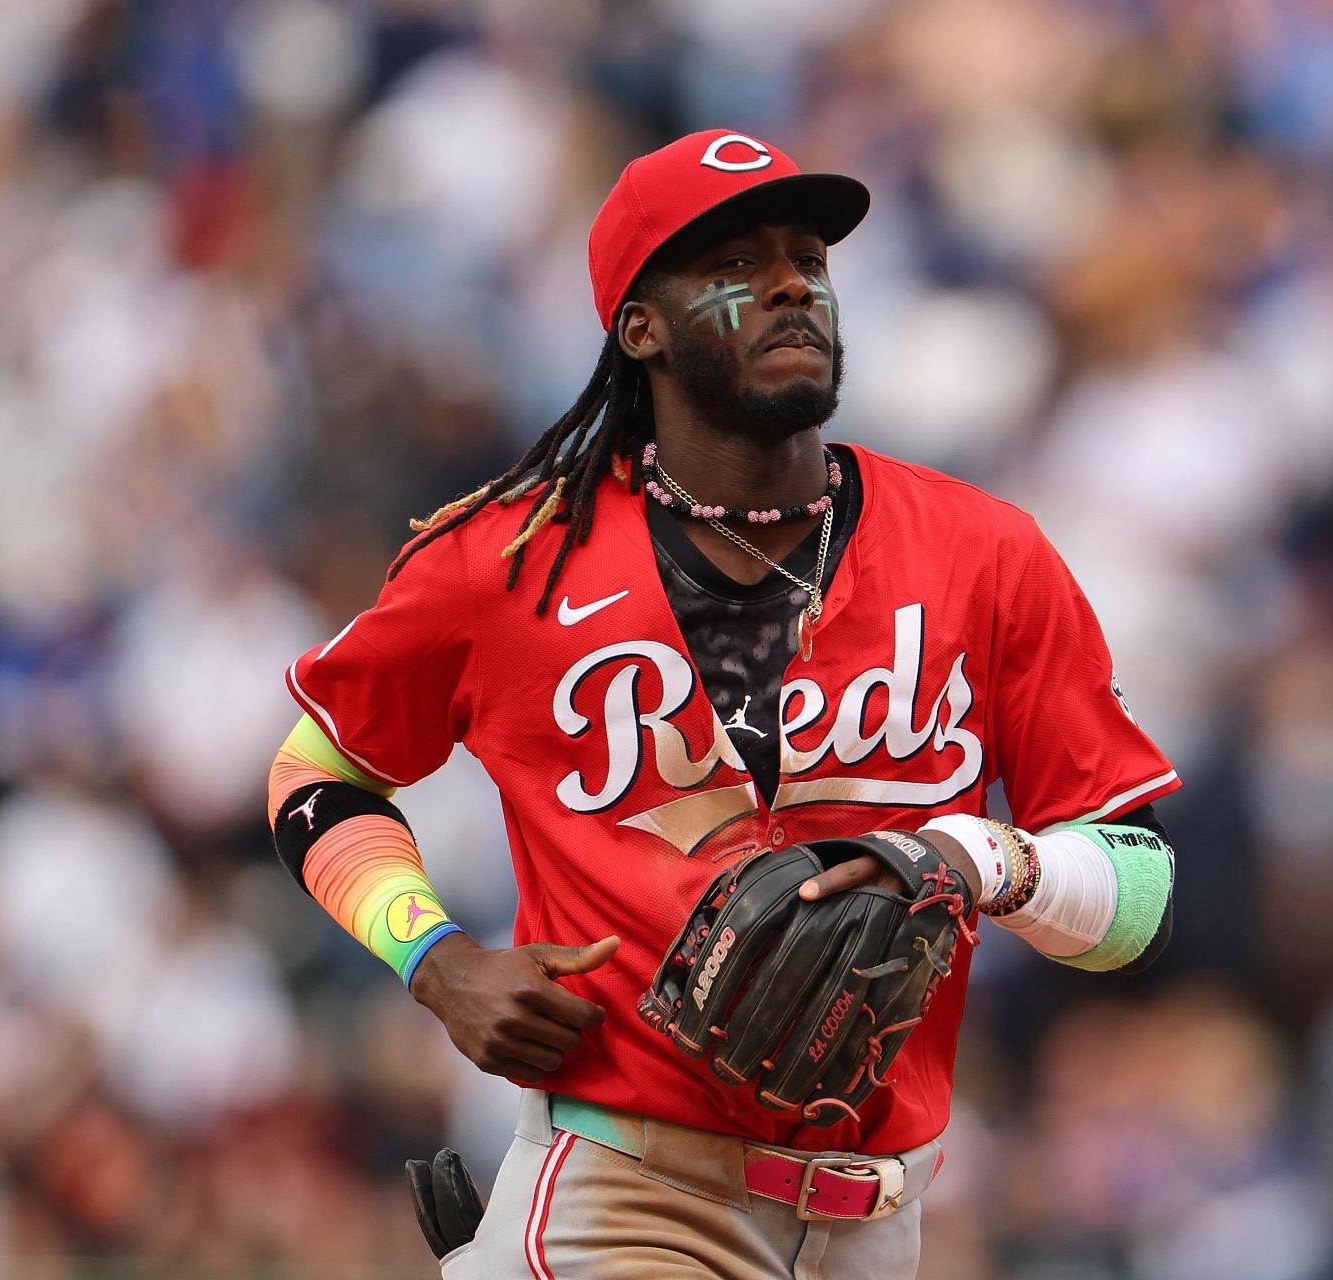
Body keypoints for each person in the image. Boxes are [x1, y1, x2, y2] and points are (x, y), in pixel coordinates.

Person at [266, 128, 1180, 1279]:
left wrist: (983, 857)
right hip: (633, 1189)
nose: (793, 280)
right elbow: (319, 772)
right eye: (737, 263)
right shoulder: (508, 559)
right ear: (639, 325)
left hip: (882, 1221)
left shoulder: (983, 552)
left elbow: (1140, 887)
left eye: (810, 257)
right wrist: (436, 958)